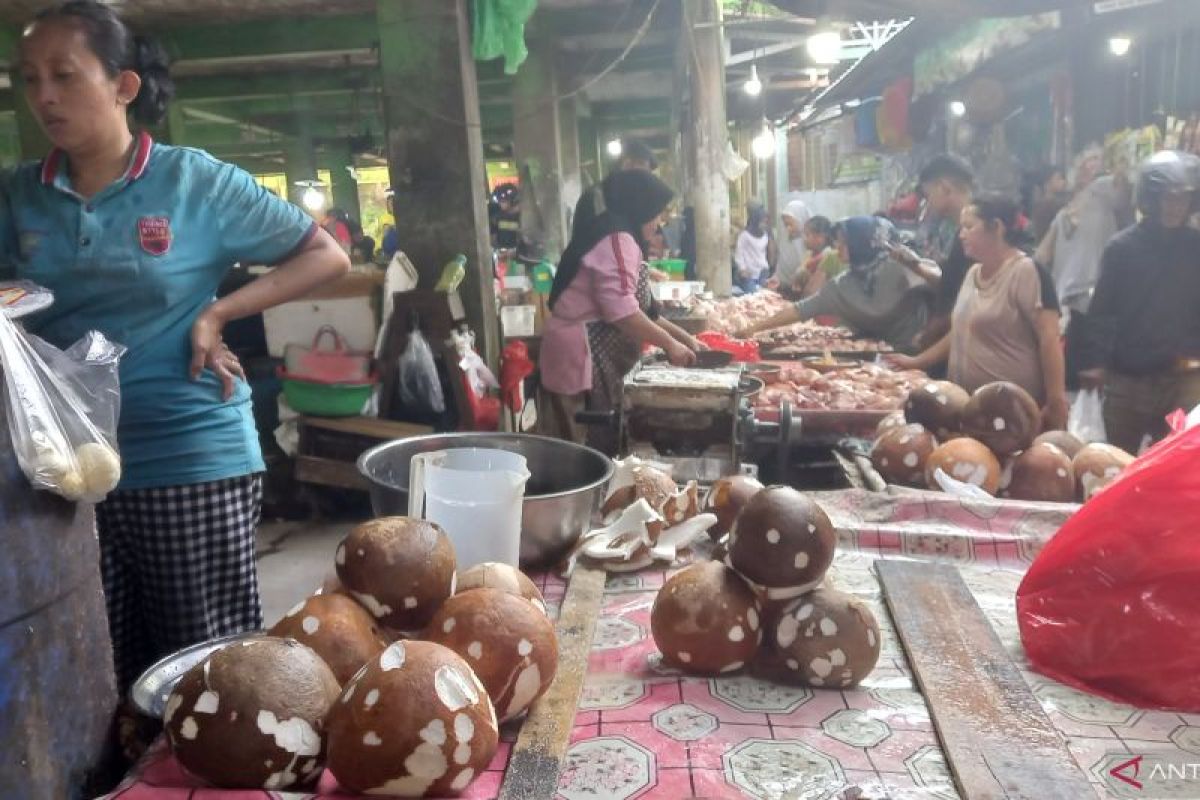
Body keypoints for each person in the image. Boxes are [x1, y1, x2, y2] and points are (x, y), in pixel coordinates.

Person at [0, 0, 350, 694]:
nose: (42, 95)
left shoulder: (196, 182)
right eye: (27, 77)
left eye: (65, 75)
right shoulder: (18, 196)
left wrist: (218, 313)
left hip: (189, 452)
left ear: (123, 85)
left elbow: (325, 256)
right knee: (99, 668)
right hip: (66, 471)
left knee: (211, 674)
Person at [539, 170, 697, 441]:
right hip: (579, 357)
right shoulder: (616, 240)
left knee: (593, 441)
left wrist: (687, 340)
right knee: (581, 447)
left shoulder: (619, 234)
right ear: (641, 207)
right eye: (656, 213)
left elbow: (645, 310)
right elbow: (621, 311)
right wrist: (670, 345)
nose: (658, 224)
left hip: (585, 354)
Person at [890, 195, 1069, 428]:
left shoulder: (1026, 272)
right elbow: (960, 331)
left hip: (1012, 413)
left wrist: (1056, 402)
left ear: (997, 227)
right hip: (968, 405)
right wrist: (917, 362)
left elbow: (1050, 339)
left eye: (969, 227)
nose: (961, 234)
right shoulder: (973, 273)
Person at [1079, 151, 1200, 454]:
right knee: (1116, 463)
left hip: (1184, 378)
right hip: (1128, 378)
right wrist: (1096, 363)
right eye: (1168, 198)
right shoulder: (1122, 248)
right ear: (1150, 199)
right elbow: (1102, 312)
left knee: (1175, 466)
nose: (1175, 206)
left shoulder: (1196, 248)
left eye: (1182, 199)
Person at [736, 216, 932, 353]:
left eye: (843, 242)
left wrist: (918, 267)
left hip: (916, 352)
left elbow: (944, 289)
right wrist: (753, 329)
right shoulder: (843, 286)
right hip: (877, 355)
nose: (836, 246)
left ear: (865, 242)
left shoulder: (903, 268)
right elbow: (800, 310)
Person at [1035, 146, 1133, 390]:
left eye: (1096, 161)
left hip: (1096, 301)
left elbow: (1123, 193)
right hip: (1068, 307)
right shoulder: (1064, 211)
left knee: (1090, 380)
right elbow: (1041, 255)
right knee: (1070, 378)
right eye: (1085, 160)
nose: (1088, 166)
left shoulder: (1104, 195)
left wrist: (1123, 171)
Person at [912, 155, 976, 351]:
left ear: (944, 187)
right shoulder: (957, 232)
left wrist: (931, 333)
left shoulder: (976, 237)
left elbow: (972, 302)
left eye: (928, 195)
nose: (928, 203)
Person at [795, 216, 844, 299]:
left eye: (807, 235)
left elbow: (811, 292)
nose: (804, 239)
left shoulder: (828, 256)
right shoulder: (810, 254)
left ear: (820, 238)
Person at [770, 199, 811, 294]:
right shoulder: (785, 238)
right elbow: (782, 261)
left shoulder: (811, 242)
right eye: (785, 225)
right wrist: (776, 277)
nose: (788, 228)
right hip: (784, 288)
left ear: (801, 220)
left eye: (790, 224)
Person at [733, 203, 771, 294]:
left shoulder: (765, 235)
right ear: (756, 220)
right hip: (748, 273)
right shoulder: (744, 236)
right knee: (753, 294)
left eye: (766, 222)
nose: (764, 225)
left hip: (763, 271)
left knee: (765, 295)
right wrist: (742, 269)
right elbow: (739, 254)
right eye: (762, 222)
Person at [1025, 164, 1068, 241]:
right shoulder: (1050, 205)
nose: (1063, 182)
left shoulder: (1039, 204)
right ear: (1047, 183)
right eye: (1058, 178)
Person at [489, 183, 521, 250]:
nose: (500, 203)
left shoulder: (524, 215)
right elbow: (492, 237)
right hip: (502, 249)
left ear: (513, 201)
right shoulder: (496, 214)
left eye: (503, 201)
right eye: (500, 201)